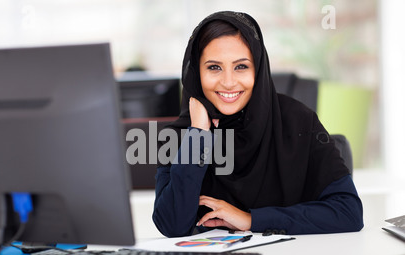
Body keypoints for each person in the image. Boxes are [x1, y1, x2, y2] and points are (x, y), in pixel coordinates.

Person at [152, 11, 363, 238]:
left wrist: (251, 219)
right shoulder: (181, 136)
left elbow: (348, 212)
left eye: (241, 66)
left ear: (258, 69)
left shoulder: (298, 121)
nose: (229, 82)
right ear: (196, 73)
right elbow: (172, 225)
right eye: (214, 67)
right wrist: (199, 134)